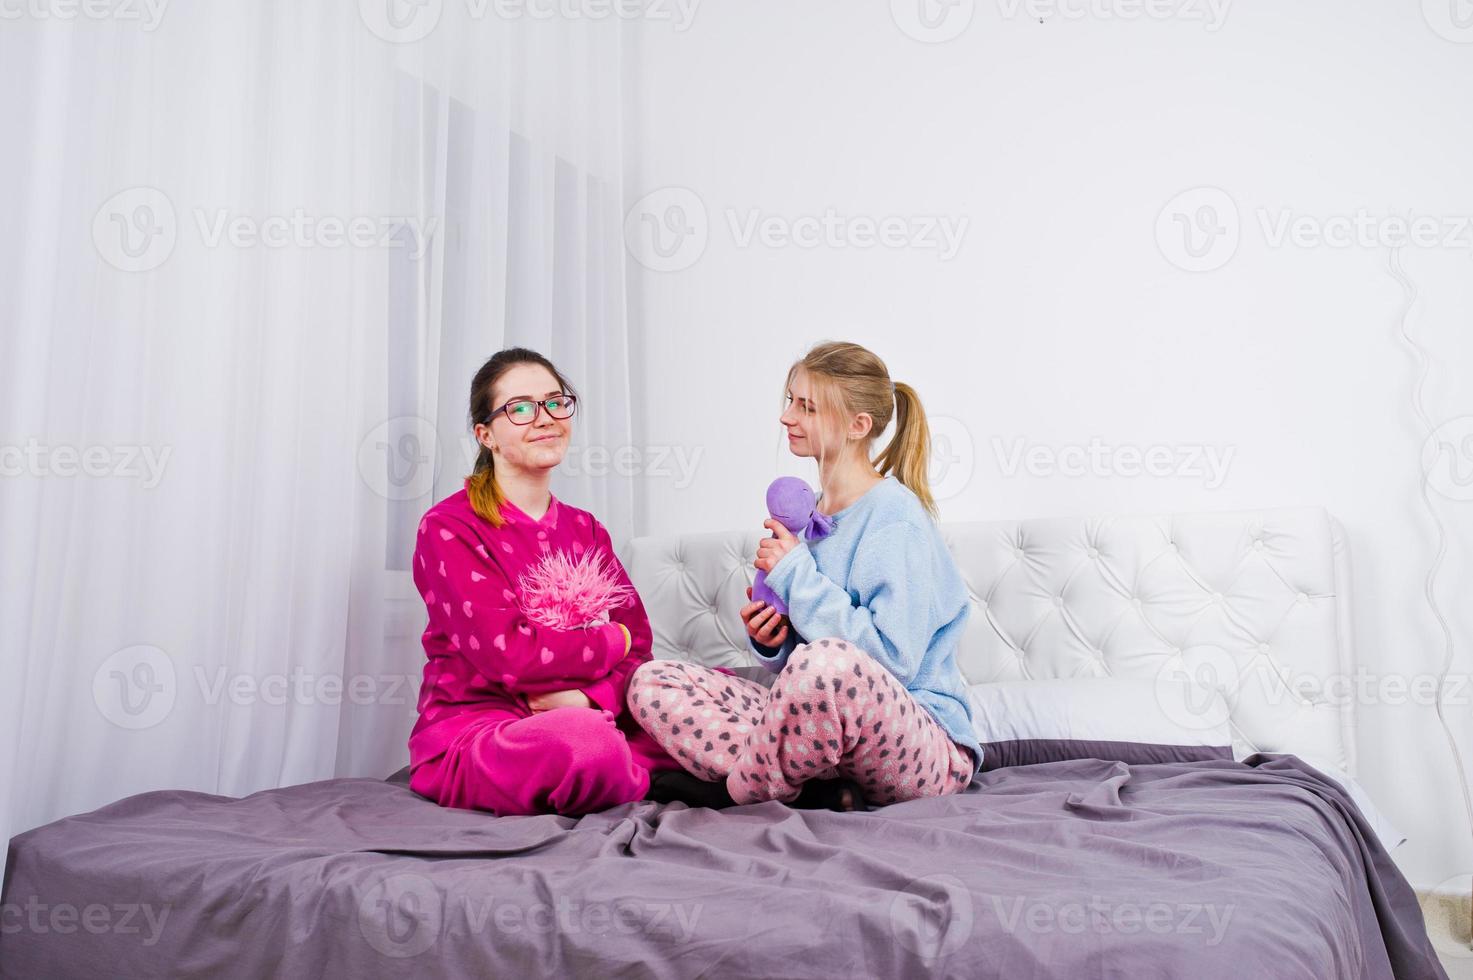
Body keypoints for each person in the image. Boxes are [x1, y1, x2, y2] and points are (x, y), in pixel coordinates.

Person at [628, 341, 983, 812]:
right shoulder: (811, 514)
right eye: (790, 401)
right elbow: (804, 671)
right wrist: (772, 640)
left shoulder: (894, 519)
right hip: (832, 739)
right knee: (652, 681)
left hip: (923, 745)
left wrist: (797, 575)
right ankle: (811, 788)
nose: (787, 417)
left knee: (826, 662)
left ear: (859, 426)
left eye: (807, 407)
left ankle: (735, 793)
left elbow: (892, 662)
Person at [406, 347, 682, 816]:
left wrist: (586, 698)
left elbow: (641, 650)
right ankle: (668, 778)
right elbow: (511, 656)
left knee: (688, 692)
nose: (545, 417)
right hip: (486, 729)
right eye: (520, 408)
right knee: (584, 743)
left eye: (555, 401)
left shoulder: (586, 529)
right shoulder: (449, 527)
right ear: (486, 434)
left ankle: (639, 766)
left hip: (594, 710)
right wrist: (610, 641)